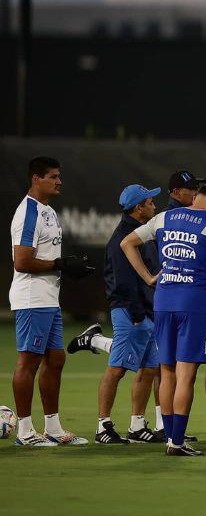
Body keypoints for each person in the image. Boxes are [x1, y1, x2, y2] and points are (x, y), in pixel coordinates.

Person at [121, 182, 206, 456]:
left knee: (166, 372)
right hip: (193, 303)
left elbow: (127, 243)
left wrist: (148, 277)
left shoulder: (164, 218)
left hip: (164, 300)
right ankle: (177, 442)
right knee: (186, 375)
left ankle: (170, 437)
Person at [10, 156, 93, 447]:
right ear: (36, 178)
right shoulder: (28, 212)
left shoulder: (48, 211)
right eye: (53, 176)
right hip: (32, 298)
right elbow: (21, 261)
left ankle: (53, 428)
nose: (59, 181)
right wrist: (60, 264)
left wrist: (66, 266)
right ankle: (24, 432)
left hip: (48, 297)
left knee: (56, 359)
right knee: (28, 361)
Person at [75, 184, 164, 445]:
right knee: (117, 369)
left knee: (149, 368)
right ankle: (103, 425)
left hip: (145, 312)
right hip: (130, 312)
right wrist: (137, 314)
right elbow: (122, 283)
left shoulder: (139, 233)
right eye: (150, 202)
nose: (154, 206)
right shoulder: (121, 239)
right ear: (138, 208)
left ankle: (137, 425)